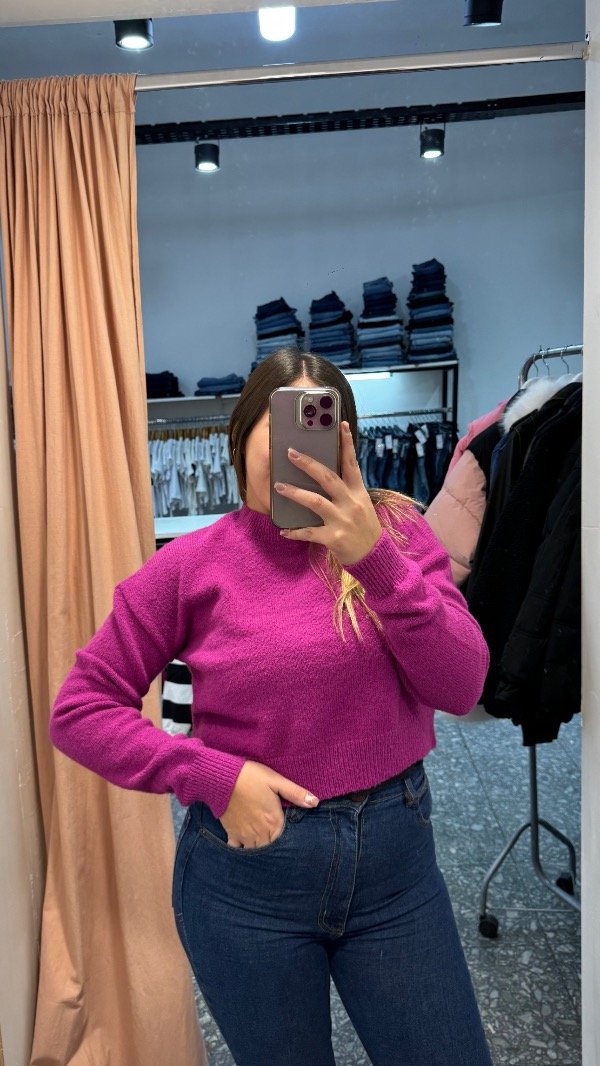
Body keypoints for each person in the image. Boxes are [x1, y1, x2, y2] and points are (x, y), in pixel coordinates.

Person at [49, 347, 493, 1066]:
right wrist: (210, 775)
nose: (299, 456)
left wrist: (373, 560)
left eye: (317, 433)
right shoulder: (189, 567)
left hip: (396, 869)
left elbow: (462, 685)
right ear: (241, 437)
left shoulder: (398, 535)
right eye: (282, 431)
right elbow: (79, 709)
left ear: (347, 442)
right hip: (248, 880)